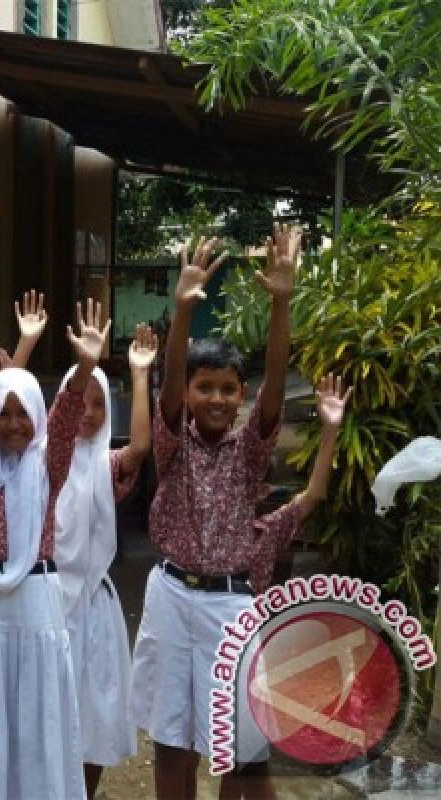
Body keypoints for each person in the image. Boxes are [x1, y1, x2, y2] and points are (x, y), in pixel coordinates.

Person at [130, 226, 300, 800]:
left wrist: (281, 301)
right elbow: (171, 384)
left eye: (229, 390)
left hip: (232, 601)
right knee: (173, 741)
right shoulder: (173, 441)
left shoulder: (250, 448)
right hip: (173, 595)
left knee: (236, 747)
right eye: (207, 388)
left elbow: (276, 382)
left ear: (241, 396)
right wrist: (182, 309)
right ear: (190, 390)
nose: (218, 400)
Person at [0, 299, 110, 800]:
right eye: (5, 414)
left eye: (25, 414)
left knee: (37, 720)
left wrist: (86, 363)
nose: (14, 424)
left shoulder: (49, 465)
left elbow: (66, 414)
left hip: (37, 606)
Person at [53, 323, 158, 797]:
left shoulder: (106, 463)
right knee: (51, 714)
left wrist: (139, 375)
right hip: (50, 606)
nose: (89, 414)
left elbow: (139, 447)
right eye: (80, 402)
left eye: (99, 404)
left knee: (92, 716)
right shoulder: (42, 461)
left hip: (93, 609)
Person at [247, 372, 350, 594]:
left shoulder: (268, 531)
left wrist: (330, 429)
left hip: (244, 622)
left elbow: (314, 493)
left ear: (263, 491)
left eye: (246, 483)